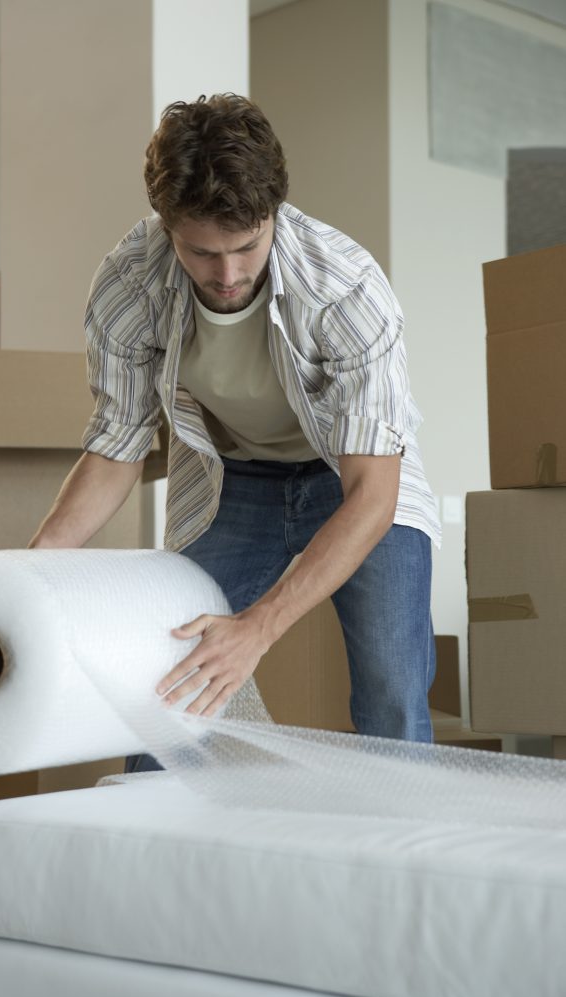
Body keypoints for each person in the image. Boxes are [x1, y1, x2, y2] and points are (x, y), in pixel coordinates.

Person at [29, 93, 441, 772]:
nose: (227, 275)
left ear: (272, 214)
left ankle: (399, 868)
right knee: (166, 676)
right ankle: (163, 857)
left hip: (352, 478)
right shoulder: (127, 287)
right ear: (166, 229)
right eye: (201, 252)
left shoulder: (345, 289)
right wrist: (33, 570)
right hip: (232, 481)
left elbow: (371, 495)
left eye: (246, 246)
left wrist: (257, 630)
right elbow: (117, 446)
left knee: (391, 690)